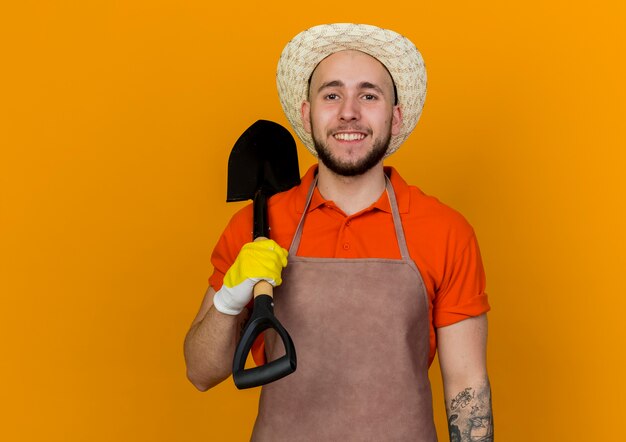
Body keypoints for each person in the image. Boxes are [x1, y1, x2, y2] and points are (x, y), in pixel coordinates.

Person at [184, 23, 493, 441]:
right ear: (308, 114)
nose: (349, 111)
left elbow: (466, 386)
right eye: (332, 95)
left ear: (395, 117)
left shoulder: (445, 230)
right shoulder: (255, 228)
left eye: (369, 95)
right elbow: (201, 373)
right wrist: (228, 300)